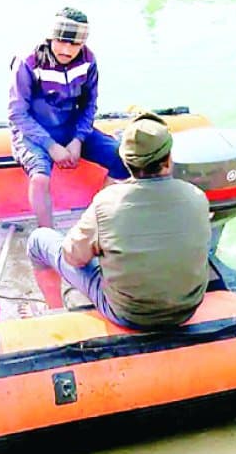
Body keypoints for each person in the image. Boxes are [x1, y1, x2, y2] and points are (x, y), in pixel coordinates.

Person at [26, 112, 212, 328]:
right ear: (168, 160)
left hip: (128, 314)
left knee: (39, 240)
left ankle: (55, 312)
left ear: (126, 161)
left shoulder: (107, 202)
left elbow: (73, 257)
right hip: (187, 309)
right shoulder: (197, 196)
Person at [8, 7, 129, 230]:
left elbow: (89, 105)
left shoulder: (88, 61)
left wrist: (78, 140)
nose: (67, 49)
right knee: (40, 178)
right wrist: (51, 146)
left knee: (122, 158)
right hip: (34, 131)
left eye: (74, 44)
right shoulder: (28, 62)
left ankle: (94, 221)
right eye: (61, 41)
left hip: (72, 126)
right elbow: (17, 113)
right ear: (51, 37)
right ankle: (48, 236)